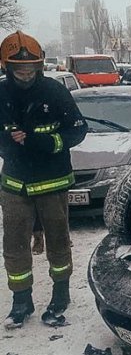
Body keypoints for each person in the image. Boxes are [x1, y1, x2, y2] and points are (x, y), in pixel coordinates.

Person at [0, 30, 88, 329]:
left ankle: (60, 297)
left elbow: (78, 129)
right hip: (15, 183)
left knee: (58, 242)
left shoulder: (54, 92)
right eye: (19, 70)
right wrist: (6, 141)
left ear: (39, 67)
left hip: (52, 182)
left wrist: (49, 143)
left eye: (31, 69)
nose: (25, 75)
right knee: (13, 244)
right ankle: (21, 302)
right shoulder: (1, 94)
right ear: (7, 68)